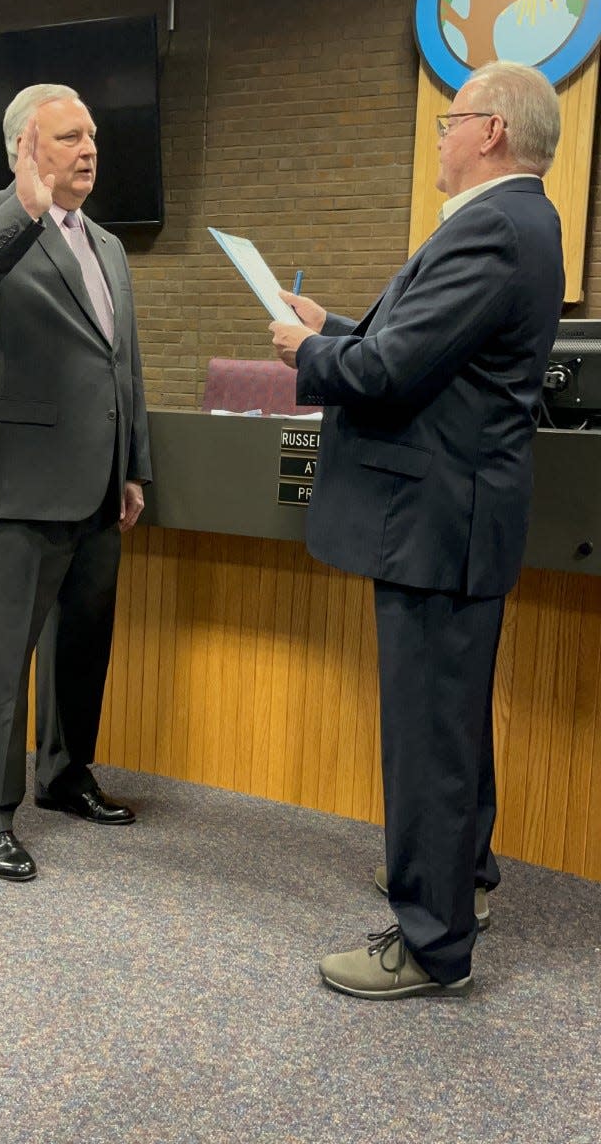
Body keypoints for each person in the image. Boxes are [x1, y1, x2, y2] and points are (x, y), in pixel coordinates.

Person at [269, 61, 564, 998]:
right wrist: (339, 323)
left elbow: (394, 372)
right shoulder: (519, 222)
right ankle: (460, 884)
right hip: (455, 516)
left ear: (491, 131)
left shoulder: (493, 227)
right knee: (451, 724)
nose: (439, 136)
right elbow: (438, 354)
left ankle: (432, 942)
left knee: (429, 733)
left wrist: (307, 351)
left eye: (450, 120)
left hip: (439, 521)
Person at [0, 83, 151, 882]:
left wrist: (134, 468)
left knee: (82, 648)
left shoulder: (110, 247)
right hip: (12, 484)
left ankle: (63, 774)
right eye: (68, 137)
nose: (89, 149)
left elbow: (125, 365)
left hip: (95, 488)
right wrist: (19, 210)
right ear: (26, 148)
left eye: (92, 134)